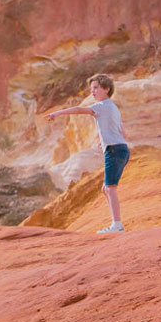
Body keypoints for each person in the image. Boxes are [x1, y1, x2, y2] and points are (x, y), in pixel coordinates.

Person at [42, 74, 129, 233]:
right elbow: (122, 132)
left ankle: (117, 225)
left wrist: (57, 114)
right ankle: (116, 224)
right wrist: (102, 139)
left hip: (114, 150)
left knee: (110, 188)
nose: (93, 92)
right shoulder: (113, 108)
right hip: (121, 149)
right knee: (106, 188)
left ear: (107, 89)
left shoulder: (101, 106)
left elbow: (78, 110)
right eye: (91, 89)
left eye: (96, 88)